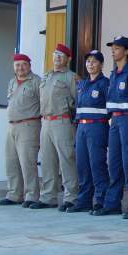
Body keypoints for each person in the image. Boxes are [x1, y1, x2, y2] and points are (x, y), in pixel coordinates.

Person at [96, 35, 128, 217]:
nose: (113, 51)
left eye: (116, 48)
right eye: (112, 48)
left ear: (126, 51)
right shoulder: (113, 74)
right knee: (113, 162)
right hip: (114, 121)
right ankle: (112, 203)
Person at [37, 43, 79, 210]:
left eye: (61, 55)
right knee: (47, 160)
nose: (57, 58)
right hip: (46, 122)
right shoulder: (46, 76)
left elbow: (78, 101)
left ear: (68, 59)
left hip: (62, 121)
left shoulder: (71, 77)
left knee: (66, 159)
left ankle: (71, 197)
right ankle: (48, 196)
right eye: (55, 55)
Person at [0, 53, 42, 207]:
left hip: (29, 125)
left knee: (27, 162)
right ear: (13, 67)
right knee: (11, 161)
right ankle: (14, 194)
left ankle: (31, 195)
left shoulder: (36, 81)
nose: (20, 67)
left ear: (29, 66)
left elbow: (43, 103)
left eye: (24, 64)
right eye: (17, 65)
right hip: (12, 126)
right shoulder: (12, 82)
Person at [73, 49, 110, 214]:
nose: (90, 64)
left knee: (97, 165)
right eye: (88, 61)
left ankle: (101, 200)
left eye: (94, 61)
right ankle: (84, 200)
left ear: (101, 65)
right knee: (82, 165)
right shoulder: (82, 84)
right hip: (81, 127)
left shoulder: (105, 83)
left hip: (97, 127)